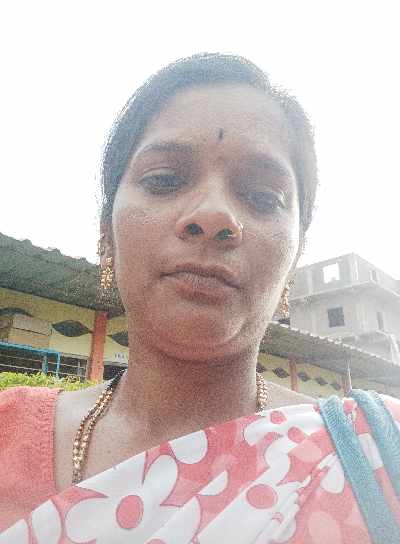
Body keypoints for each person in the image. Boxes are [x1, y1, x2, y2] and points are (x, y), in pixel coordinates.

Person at [0, 53, 399, 543]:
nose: (213, 216)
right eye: (164, 180)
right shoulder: (6, 432)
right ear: (107, 234)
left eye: (263, 197)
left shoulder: (375, 454)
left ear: (294, 259)